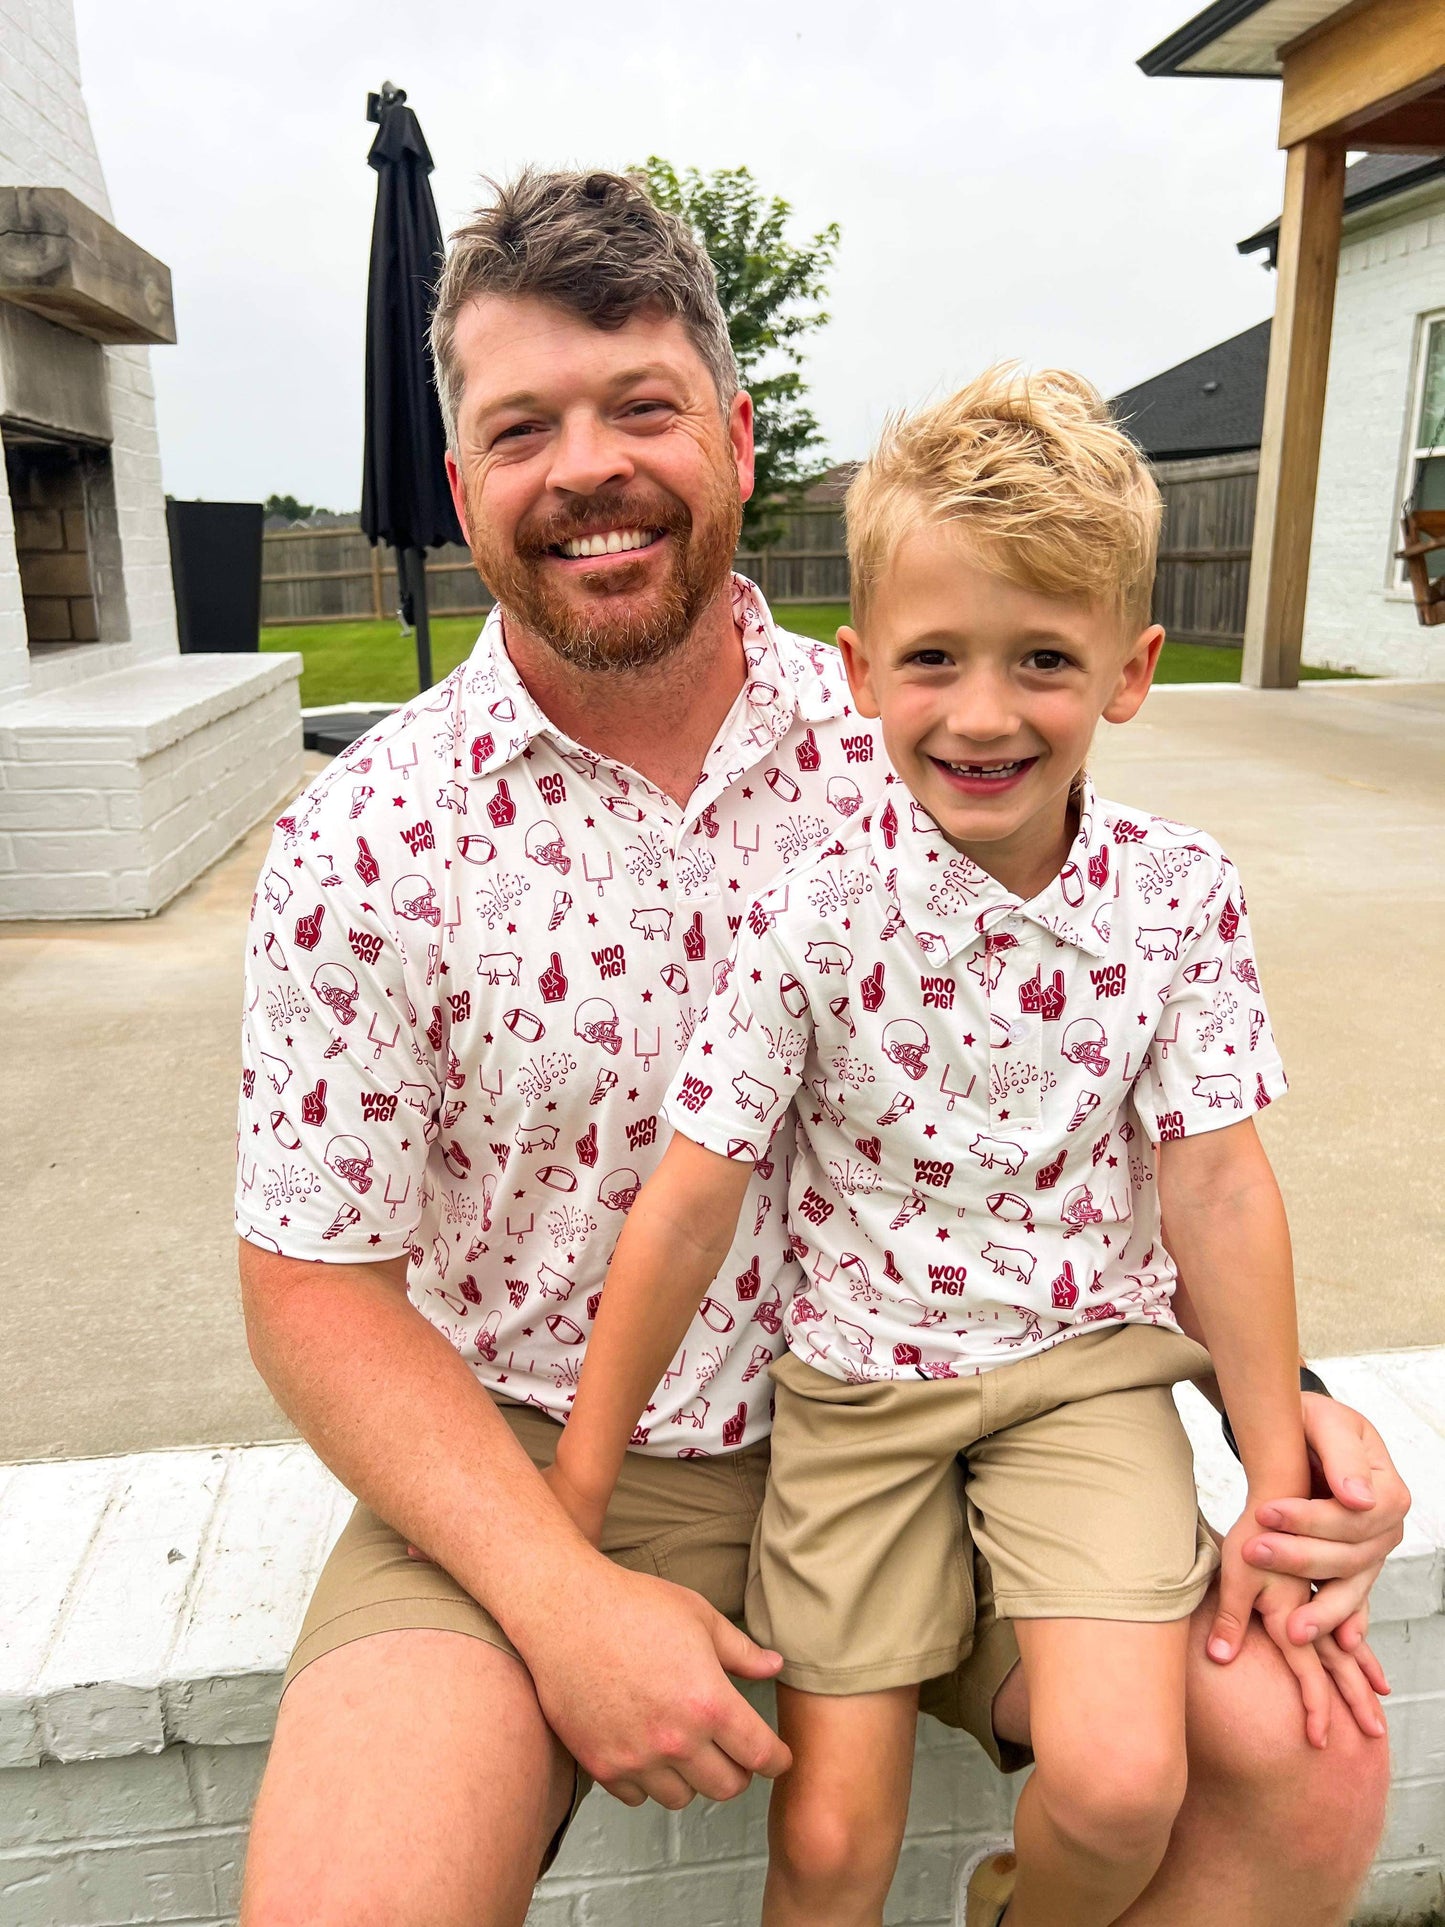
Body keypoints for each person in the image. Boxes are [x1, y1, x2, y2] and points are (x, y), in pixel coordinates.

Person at [235, 169, 1403, 1927]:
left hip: (972, 1409)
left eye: (640, 405)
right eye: (520, 426)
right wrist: (558, 1593)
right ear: (464, 483)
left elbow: (1116, 1081)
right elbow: (313, 1286)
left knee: (1302, 1767)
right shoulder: (364, 842)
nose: (588, 469)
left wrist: (1290, 1422)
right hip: (568, 1451)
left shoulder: (932, 717)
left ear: (733, 432)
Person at [543, 365, 1376, 1927]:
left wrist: (1276, 1480)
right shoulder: (814, 906)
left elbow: (1214, 1182)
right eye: (934, 658)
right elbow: (686, 1206)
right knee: (833, 1844)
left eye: (1042, 660)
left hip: (1084, 1383)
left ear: (1128, 673)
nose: (983, 713)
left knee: (1123, 1785)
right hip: (855, 1397)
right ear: (859, 671)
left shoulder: (1177, 897)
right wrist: (571, 1499)